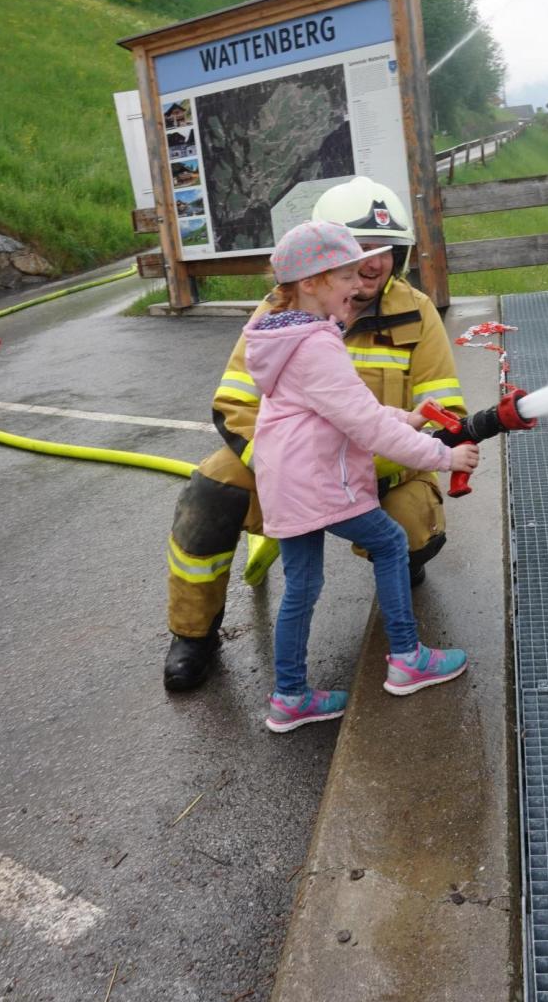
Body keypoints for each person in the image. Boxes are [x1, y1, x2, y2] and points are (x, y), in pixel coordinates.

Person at [164, 175, 466, 692]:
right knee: (210, 490)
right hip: (298, 471)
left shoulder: (416, 313)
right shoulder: (280, 315)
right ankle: (193, 634)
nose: (374, 262)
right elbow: (234, 406)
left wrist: (379, 463)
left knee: (406, 531)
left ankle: (296, 689)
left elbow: (445, 409)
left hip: (385, 470)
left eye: (388, 248)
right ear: (318, 271)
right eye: (362, 248)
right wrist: (295, 474)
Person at [244, 220, 479, 732]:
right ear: (311, 282)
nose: (358, 284)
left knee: (302, 586)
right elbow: (365, 425)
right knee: (392, 542)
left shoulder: (284, 337)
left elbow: (344, 410)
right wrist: (445, 457)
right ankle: (407, 658)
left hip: (286, 483)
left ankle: (289, 697)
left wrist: (410, 418)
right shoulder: (317, 346)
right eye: (346, 274)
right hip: (318, 481)